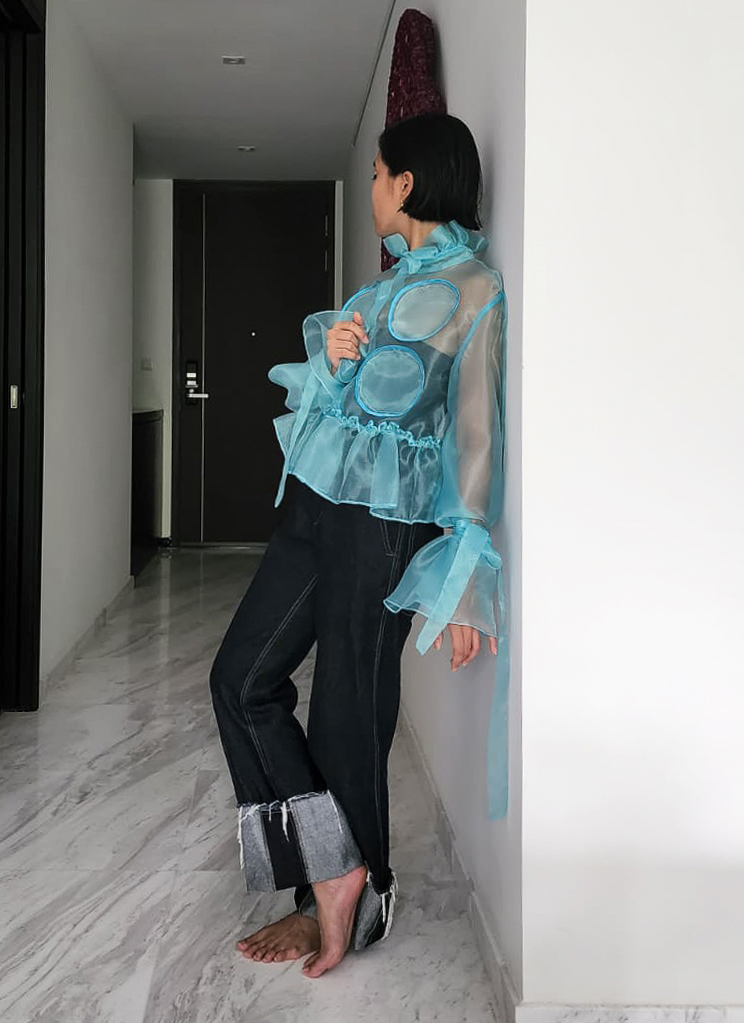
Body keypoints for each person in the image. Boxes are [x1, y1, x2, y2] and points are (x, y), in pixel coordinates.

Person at [209, 111, 507, 979]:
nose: (373, 188)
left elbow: (475, 435)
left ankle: (348, 891)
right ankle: (331, 863)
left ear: (407, 183)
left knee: (348, 704)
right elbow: (329, 408)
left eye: (378, 174)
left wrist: (462, 577)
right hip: (314, 503)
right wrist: (333, 362)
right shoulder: (374, 295)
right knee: (241, 679)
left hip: (383, 521)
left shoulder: (476, 289)